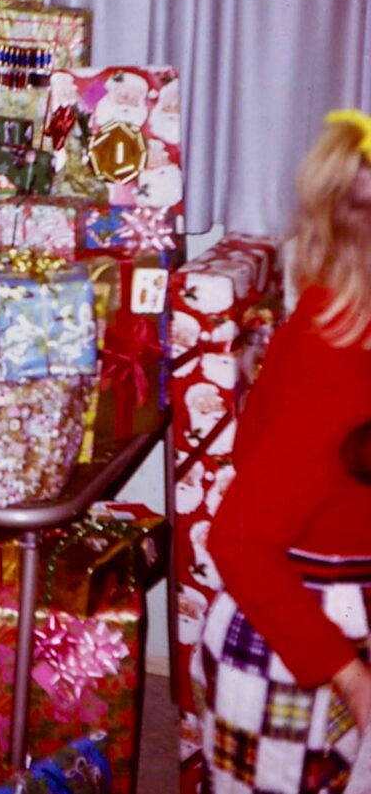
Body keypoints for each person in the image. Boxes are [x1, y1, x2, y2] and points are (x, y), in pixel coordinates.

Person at [193, 108, 371, 792]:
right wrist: (351, 676)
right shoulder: (336, 367)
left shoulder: (328, 315)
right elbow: (237, 541)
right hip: (295, 649)